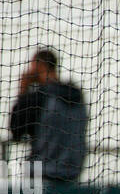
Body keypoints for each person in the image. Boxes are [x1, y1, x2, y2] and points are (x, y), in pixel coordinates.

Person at [8, 48, 87, 184]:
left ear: (39, 65)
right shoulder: (76, 96)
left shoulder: (38, 98)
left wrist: (23, 90)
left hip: (41, 176)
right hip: (72, 175)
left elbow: (17, 130)